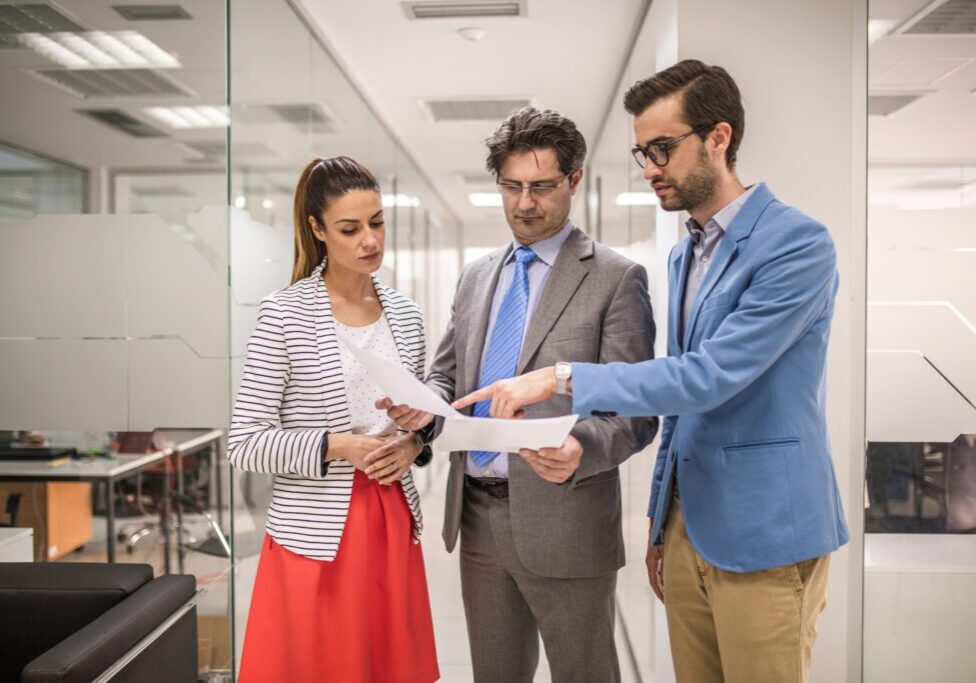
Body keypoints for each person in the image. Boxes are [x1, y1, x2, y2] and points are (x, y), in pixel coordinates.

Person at [454, 61, 850, 683]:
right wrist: (661, 521)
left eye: (663, 149)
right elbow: (679, 409)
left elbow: (705, 377)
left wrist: (561, 377)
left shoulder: (797, 244)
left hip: (766, 526)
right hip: (690, 524)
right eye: (643, 152)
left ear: (718, 138)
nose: (649, 169)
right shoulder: (684, 252)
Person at [380, 106, 658, 682]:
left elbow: (637, 411)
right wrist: (421, 410)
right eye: (511, 187)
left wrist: (583, 444)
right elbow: (449, 377)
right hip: (478, 517)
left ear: (574, 180)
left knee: (584, 674)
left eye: (541, 187)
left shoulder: (615, 278)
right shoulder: (477, 276)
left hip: (568, 520)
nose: (524, 203)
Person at [228, 156, 439, 683]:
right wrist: (338, 445)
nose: (370, 240)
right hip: (315, 534)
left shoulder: (407, 316)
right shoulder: (284, 314)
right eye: (350, 228)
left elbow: (424, 418)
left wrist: (415, 442)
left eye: (377, 222)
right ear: (318, 230)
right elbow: (246, 443)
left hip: (390, 520)